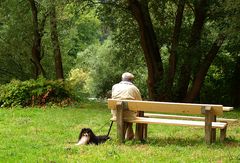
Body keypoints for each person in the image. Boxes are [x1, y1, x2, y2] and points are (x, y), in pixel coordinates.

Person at [111, 72, 142, 140]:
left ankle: (127, 136)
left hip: (116, 114)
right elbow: (140, 103)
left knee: (126, 113)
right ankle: (129, 136)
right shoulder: (134, 88)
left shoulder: (115, 86)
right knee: (129, 114)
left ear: (122, 79)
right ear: (131, 80)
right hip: (129, 114)